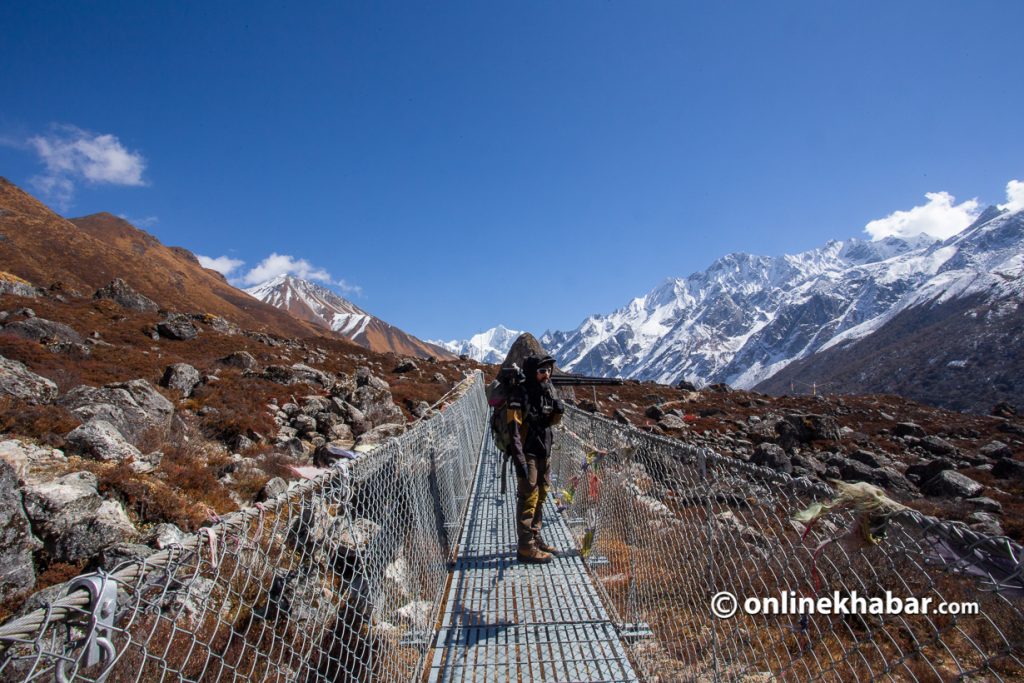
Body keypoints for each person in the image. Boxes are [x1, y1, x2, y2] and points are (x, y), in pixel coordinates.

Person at [507, 354, 564, 564]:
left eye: (548, 370)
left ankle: (535, 537)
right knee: (528, 498)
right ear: (532, 372)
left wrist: (557, 412)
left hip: (544, 452)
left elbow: (548, 422)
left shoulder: (546, 391)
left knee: (541, 495)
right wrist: (519, 461)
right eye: (542, 371)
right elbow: (513, 430)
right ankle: (525, 547)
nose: (546, 374)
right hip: (528, 453)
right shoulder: (518, 394)